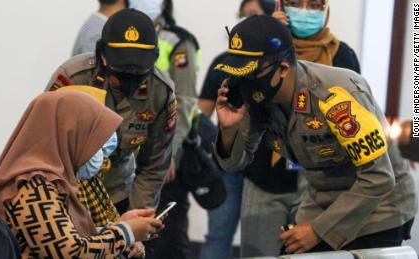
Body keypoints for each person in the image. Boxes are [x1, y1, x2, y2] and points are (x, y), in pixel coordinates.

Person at [213, 15, 417, 253]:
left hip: (379, 207)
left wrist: (318, 230)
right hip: (324, 199)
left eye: (250, 72)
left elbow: (379, 178)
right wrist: (228, 131)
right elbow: (234, 164)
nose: (243, 82)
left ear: (282, 69)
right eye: (237, 73)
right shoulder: (259, 97)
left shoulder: (335, 96)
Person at [0, 90, 164, 258]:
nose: (100, 156)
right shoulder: (32, 187)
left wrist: (113, 229)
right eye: (94, 142)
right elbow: (70, 253)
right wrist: (126, 233)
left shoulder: (53, 181)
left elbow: (62, 237)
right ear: (71, 136)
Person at [46, 9, 176, 214]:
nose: (131, 77)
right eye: (122, 71)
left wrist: (136, 219)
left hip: (115, 194)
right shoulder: (72, 79)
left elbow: (154, 167)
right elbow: (43, 146)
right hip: (64, 192)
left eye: (139, 72)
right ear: (103, 56)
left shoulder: (160, 92)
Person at [198, 1, 277, 258]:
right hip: (228, 168)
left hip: (267, 170)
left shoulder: (279, 64)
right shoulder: (223, 63)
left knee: (259, 244)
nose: (244, 22)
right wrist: (222, 138)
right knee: (218, 235)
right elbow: (200, 115)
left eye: (252, 16)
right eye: (241, 17)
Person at [128, 0, 200, 258]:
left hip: (163, 152)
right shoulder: (120, 35)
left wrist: (171, 148)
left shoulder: (179, 41)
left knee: (168, 237)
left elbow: (185, 99)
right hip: (128, 155)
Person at [272, 0, 360, 71]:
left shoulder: (342, 53)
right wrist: (269, 32)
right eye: (294, 4)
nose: (304, 12)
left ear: (325, 10)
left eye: (314, 5)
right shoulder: (270, 45)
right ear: (281, 7)